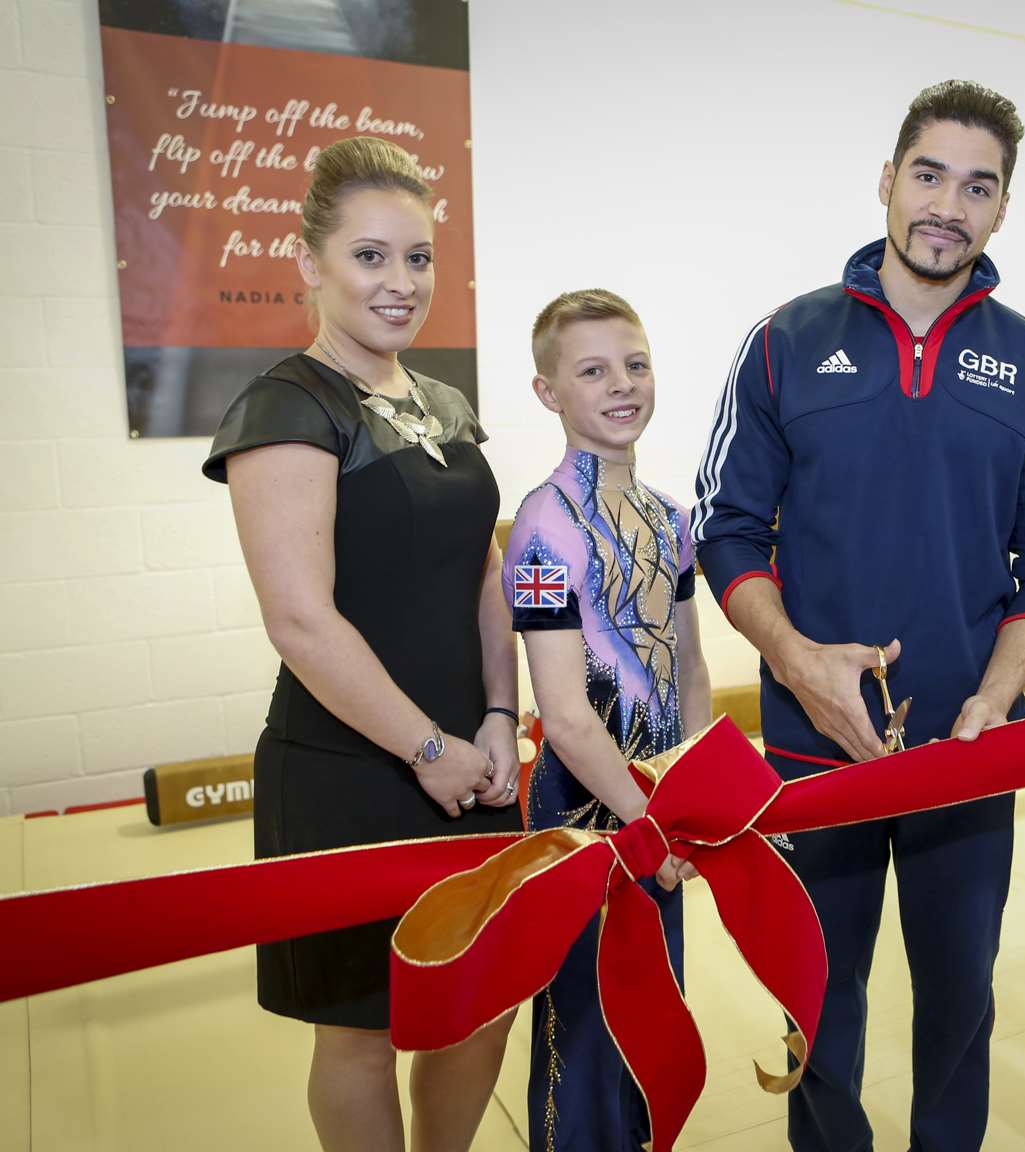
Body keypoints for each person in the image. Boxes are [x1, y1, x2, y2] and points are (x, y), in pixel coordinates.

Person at [693, 80, 1025, 1152]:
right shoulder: (783, 342)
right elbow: (727, 530)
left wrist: (994, 698)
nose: (947, 206)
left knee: (960, 1001)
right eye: (929, 175)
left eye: (978, 186)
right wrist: (794, 658)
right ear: (886, 180)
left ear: (1001, 208)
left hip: (968, 751)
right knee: (818, 996)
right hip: (807, 745)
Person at [202, 136, 522, 1152]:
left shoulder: (444, 406)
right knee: (361, 1030)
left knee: (481, 1001)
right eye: (371, 256)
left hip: (473, 761)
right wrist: (425, 751)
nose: (401, 281)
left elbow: (485, 572)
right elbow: (300, 618)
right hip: (351, 764)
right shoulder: (288, 405)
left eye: (417, 257)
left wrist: (499, 717)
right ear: (310, 264)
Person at [504, 289, 712, 1152]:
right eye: (592, 370)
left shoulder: (672, 517)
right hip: (586, 804)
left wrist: (693, 793)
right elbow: (562, 713)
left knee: (653, 1002)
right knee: (582, 1024)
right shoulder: (542, 527)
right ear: (549, 391)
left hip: (658, 797)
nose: (621, 384)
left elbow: (691, 667)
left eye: (635, 363)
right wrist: (646, 820)